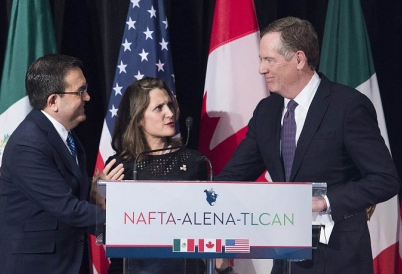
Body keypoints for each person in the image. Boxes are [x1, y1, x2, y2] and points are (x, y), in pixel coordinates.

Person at [215, 16, 400, 274]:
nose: (261, 69)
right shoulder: (267, 111)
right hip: (286, 258)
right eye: (261, 60)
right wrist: (196, 200)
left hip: (338, 258)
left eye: (269, 60)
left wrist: (323, 202)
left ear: (299, 59)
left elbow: (385, 179)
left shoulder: (346, 106)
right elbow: (235, 175)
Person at [0, 54, 124, 274]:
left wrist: (91, 189)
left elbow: (64, 186)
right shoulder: (28, 144)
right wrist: (133, 223)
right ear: (53, 101)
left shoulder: (64, 136)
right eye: (80, 91)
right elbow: (67, 207)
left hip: (64, 261)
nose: (87, 97)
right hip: (37, 266)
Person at [106, 77, 207, 274]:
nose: (170, 113)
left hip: (184, 266)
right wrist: (101, 198)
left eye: (170, 105)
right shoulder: (120, 167)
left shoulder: (193, 161)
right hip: (131, 266)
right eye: (159, 108)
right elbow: (107, 225)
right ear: (138, 119)